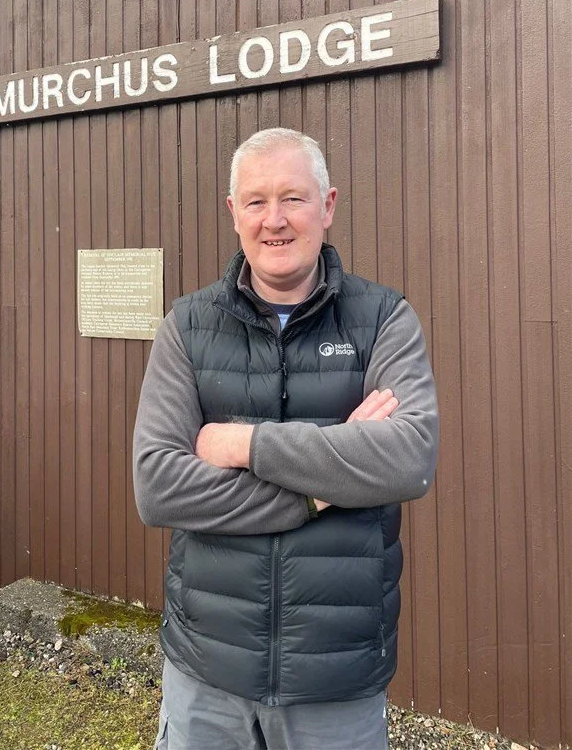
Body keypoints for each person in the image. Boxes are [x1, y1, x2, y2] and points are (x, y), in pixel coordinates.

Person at [133, 127, 439, 750]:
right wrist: (321, 488)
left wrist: (245, 445)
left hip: (337, 679)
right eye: (256, 201)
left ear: (327, 205)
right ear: (233, 214)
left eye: (293, 199)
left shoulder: (384, 319)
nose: (275, 220)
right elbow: (159, 487)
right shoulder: (186, 328)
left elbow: (408, 458)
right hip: (206, 674)